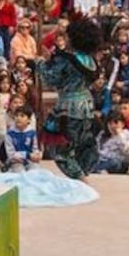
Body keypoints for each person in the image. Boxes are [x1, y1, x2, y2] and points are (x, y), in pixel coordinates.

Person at [37, 18, 102, 180]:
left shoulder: (66, 58)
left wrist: (41, 64)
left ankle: (80, 178)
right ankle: (83, 173)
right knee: (82, 143)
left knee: (59, 148)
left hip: (69, 106)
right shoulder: (91, 59)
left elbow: (52, 79)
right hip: (87, 104)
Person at [3, 105, 40, 172]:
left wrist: (36, 155)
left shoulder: (32, 133)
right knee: (20, 172)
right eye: (16, 116)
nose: (18, 118)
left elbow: (35, 148)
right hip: (16, 161)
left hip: (30, 160)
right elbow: (11, 153)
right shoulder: (10, 134)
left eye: (22, 116)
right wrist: (26, 155)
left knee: (35, 171)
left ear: (29, 120)